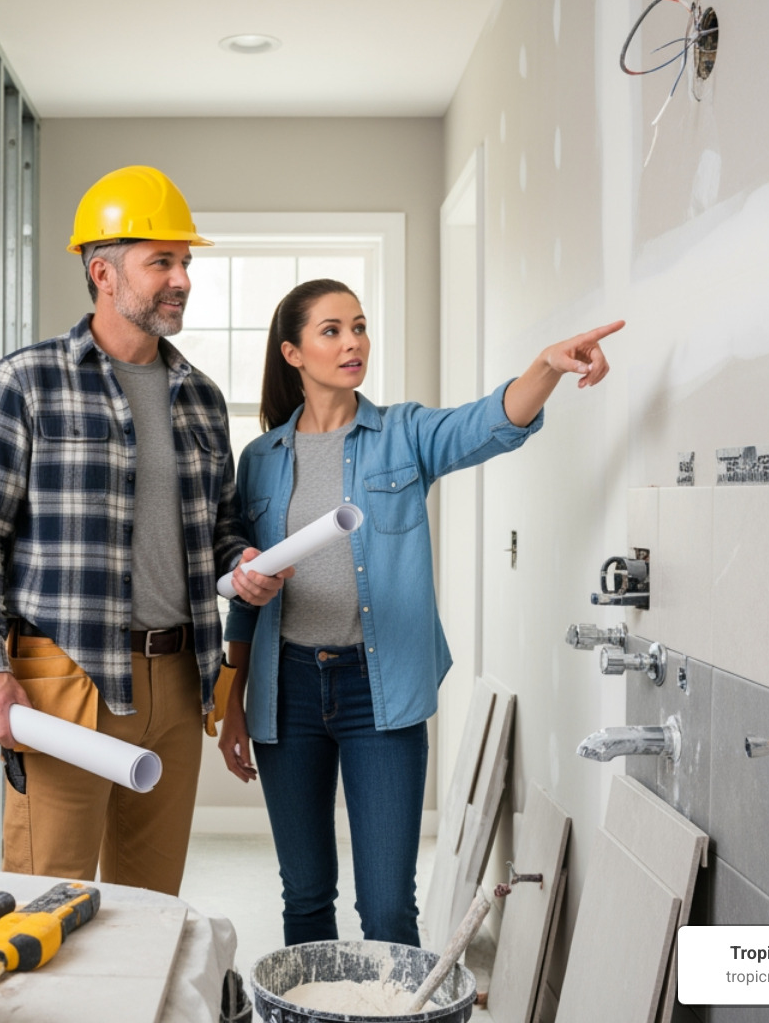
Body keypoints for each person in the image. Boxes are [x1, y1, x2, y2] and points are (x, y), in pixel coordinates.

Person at [216, 277, 621, 945]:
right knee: (306, 898)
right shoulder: (260, 459)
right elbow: (247, 596)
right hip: (283, 694)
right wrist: (231, 700)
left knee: (387, 910)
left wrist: (547, 365)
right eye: (333, 330)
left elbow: (490, 423)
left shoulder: (402, 434)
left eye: (360, 326)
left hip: (380, 692)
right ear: (292, 353)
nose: (354, 342)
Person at [0, 165, 288, 896]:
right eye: (160, 261)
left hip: (177, 679)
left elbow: (219, 526)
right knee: (46, 898)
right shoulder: (29, 381)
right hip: (66, 677)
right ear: (103, 272)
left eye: (185, 262)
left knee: (149, 907)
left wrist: (244, 560)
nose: (182, 279)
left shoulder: (201, 397)